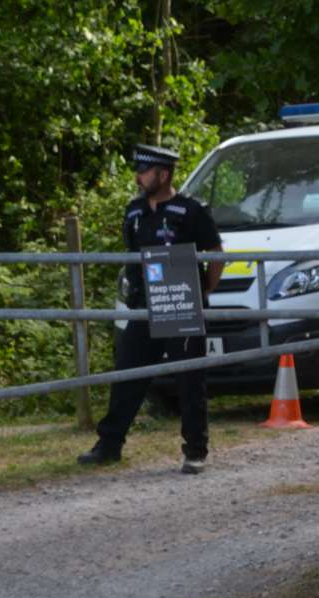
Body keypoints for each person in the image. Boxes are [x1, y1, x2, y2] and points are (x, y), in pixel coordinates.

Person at [78, 143, 223, 474]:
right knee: (127, 374)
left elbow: (215, 253)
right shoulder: (133, 212)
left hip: (181, 304)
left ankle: (195, 451)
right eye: (138, 171)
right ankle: (108, 446)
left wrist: (204, 290)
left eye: (144, 171)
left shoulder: (192, 211)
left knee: (190, 380)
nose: (138, 177)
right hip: (144, 306)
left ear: (163, 173)